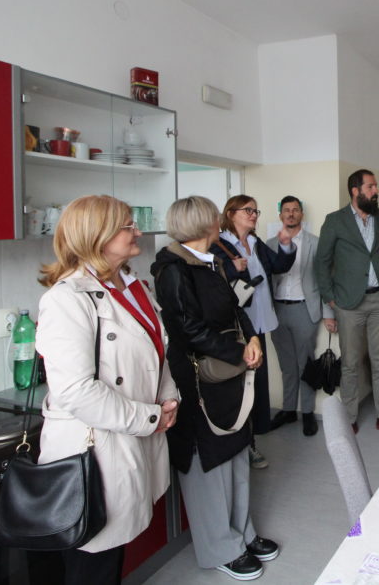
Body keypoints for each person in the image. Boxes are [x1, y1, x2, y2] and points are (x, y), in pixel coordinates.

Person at [36, 195, 179, 585]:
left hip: (129, 438)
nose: (138, 232)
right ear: (96, 236)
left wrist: (168, 396)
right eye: (128, 226)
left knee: (111, 557)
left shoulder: (132, 287)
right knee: (93, 562)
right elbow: (76, 391)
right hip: (93, 452)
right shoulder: (66, 299)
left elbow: (157, 351)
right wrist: (150, 417)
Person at [151, 196, 280, 581]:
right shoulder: (173, 269)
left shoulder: (212, 262)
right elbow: (187, 329)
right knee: (208, 463)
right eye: (214, 218)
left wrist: (252, 338)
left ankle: (243, 533)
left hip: (228, 373)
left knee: (236, 452)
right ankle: (221, 548)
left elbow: (236, 308)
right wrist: (239, 351)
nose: (218, 223)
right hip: (200, 379)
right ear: (205, 224)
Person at [314, 169, 379, 440]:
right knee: (351, 364)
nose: (376, 191)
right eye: (371, 187)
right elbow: (322, 262)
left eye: (375, 186)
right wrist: (330, 297)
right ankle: (350, 418)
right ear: (355, 190)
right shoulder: (335, 220)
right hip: (348, 303)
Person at [212, 195, 296, 468]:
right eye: (247, 210)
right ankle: (245, 446)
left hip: (259, 323)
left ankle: (253, 438)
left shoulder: (255, 242)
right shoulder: (218, 244)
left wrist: (286, 245)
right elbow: (212, 281)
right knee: (241, 387)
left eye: (255, 211)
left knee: (257, 383)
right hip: (237, 327)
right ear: (230, 213)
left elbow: (279, 266)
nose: (253, 215)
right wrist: (230, 268)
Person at [266, 195, 335, 436]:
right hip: (277, 311)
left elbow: (324, 280)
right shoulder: (269, 244)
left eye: (295, 210)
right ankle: (288, 410)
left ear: (301, 214)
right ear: (281, 215)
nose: (291, 214)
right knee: (286, 365)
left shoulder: (315, 243)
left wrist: (329, 313)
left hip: (305, 310)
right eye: (286, 210)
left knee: (305, 363)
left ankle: (307, 412)